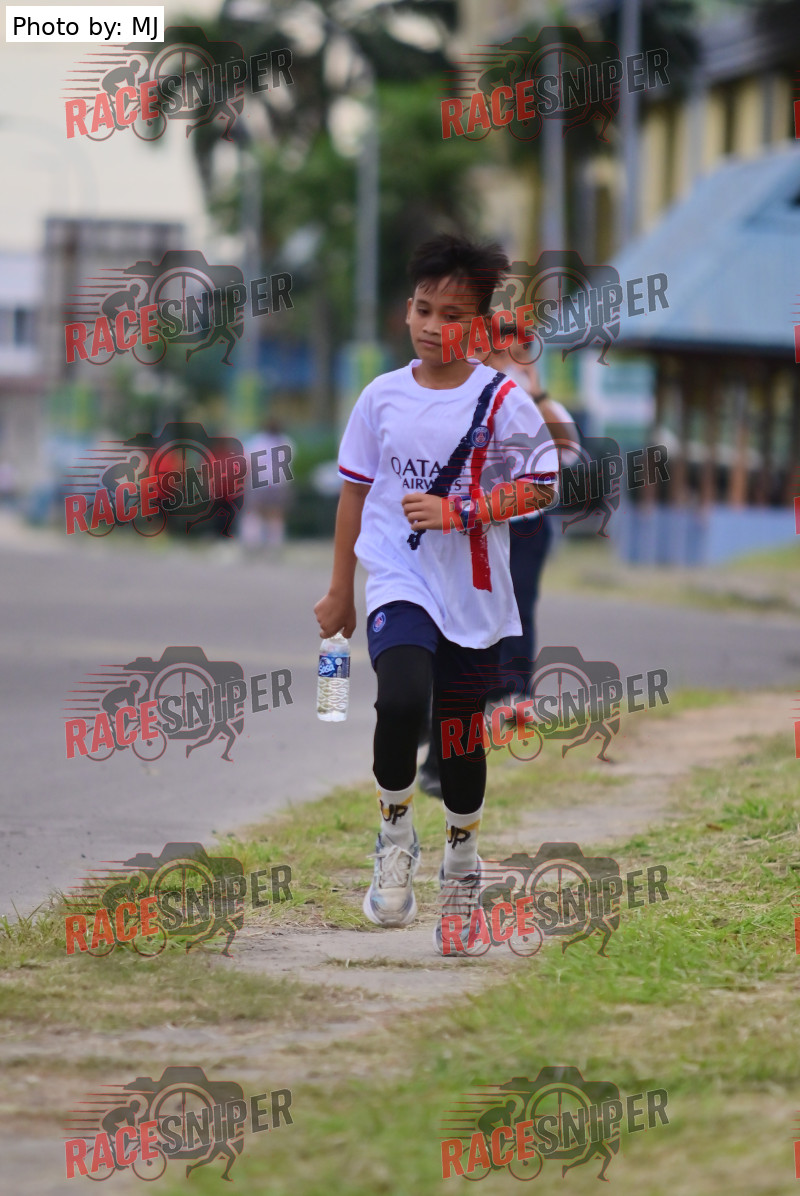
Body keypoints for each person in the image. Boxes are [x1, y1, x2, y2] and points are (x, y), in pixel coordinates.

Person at [313, 234, 558, 954]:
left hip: (473, 589)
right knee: (399, 699)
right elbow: (354, 495)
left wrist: (461, 511)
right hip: (400, 575)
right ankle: (394, 838)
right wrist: (340, 590)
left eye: (451, 315)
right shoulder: (380, 397)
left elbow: (543, 484)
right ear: (407, 310)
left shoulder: (503, 400)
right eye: (423, 308)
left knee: (458, 735)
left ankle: (461, 861)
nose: (431, 325)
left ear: (478, 326)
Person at [417, 328, 581, 798]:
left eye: (518, 345)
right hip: (467, 523)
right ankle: (440, 720)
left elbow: (567, 449)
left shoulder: (531, 398)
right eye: (498, 343)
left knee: (517, 604)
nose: (508, 352)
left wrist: (537, 393)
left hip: (521, 524)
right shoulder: (465, 390)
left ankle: (513, 693)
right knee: (454, 618)